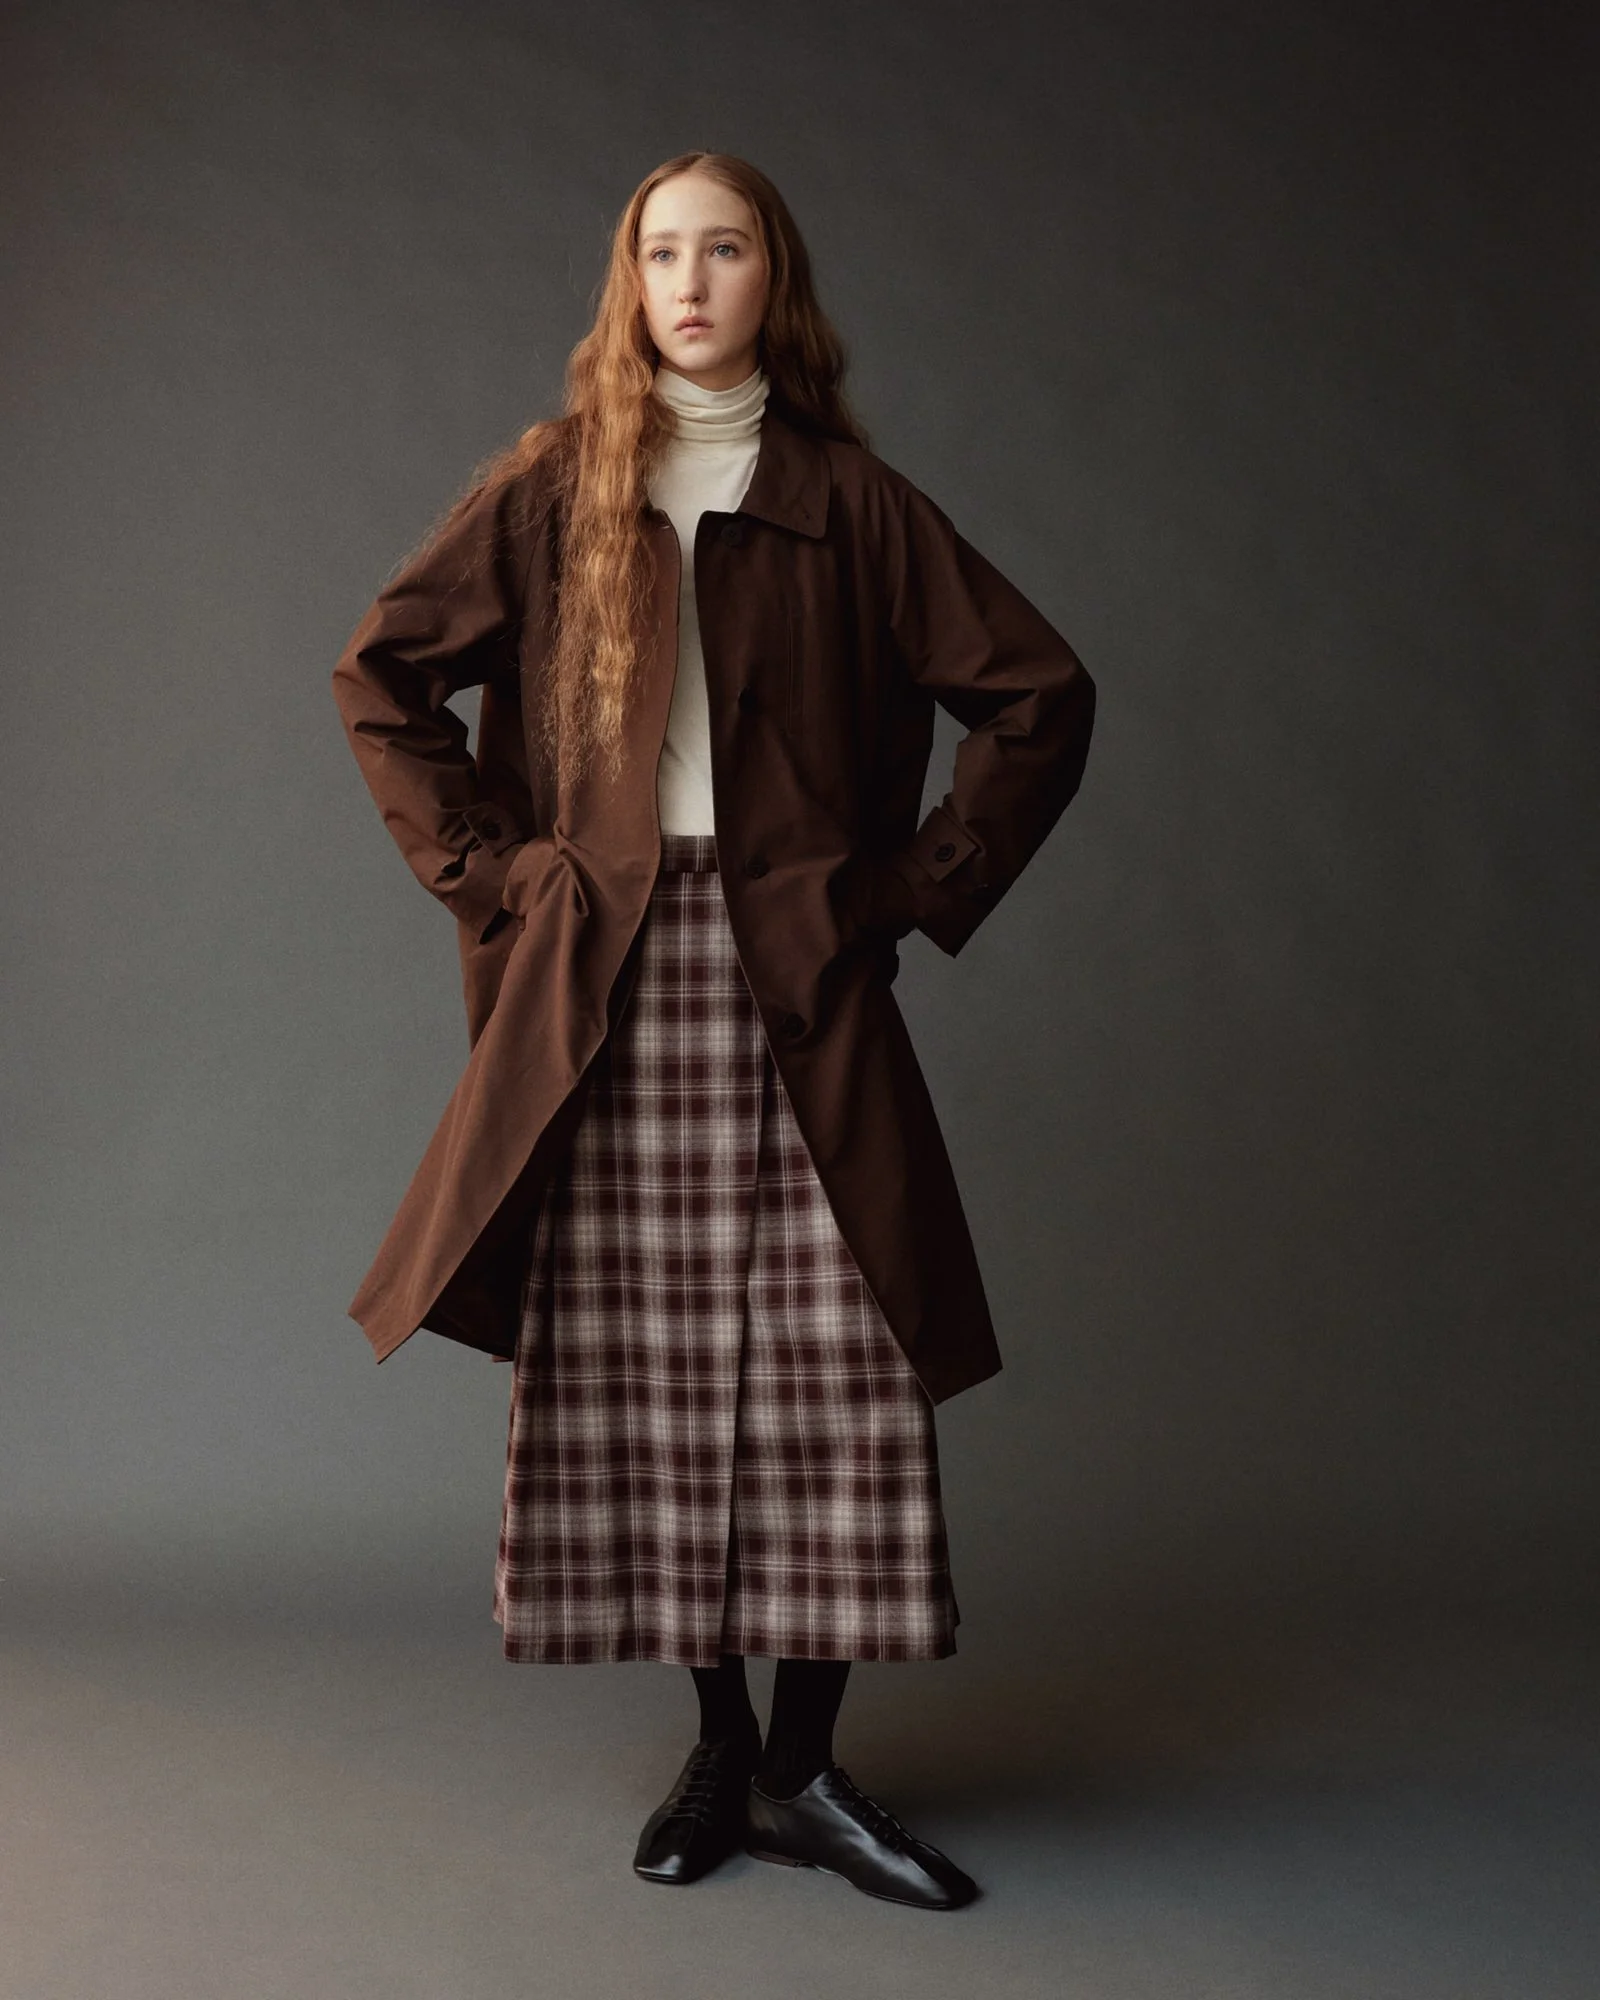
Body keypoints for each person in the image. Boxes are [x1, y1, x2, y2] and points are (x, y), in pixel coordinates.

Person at [331, 150, 1096, 1912]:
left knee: (840, 1366)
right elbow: (382, 677)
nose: (689, 281)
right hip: (606, 983)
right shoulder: (553, 494)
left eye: (724, 248)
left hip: (799, 980)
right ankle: (725, 1750)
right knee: (656, 1366)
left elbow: (1038, 698)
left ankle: (809, 1769)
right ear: (630, 283)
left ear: (774, 281)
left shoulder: (856, 505)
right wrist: (496, 875)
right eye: (660, 251)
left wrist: (908, 886)